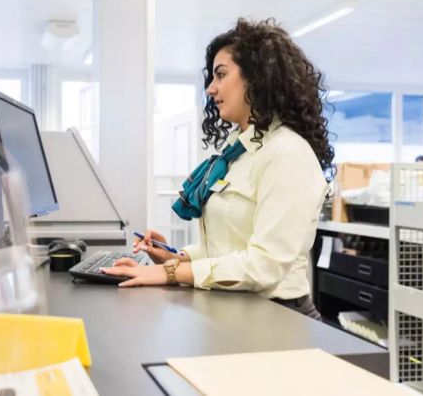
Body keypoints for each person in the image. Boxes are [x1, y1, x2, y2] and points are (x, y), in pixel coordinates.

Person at [102, 18, 332, 320]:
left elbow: (264, 265)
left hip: (277, 316)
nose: (211, 89)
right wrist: (176, 257)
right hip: (236, 311)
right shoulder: (240, 150)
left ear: (257, 77)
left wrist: (171, 272)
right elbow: (231, 248)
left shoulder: (287, 154)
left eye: (221, 75)